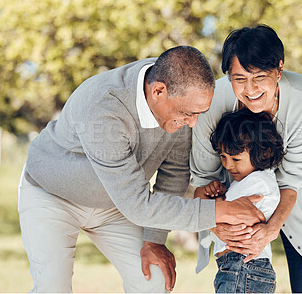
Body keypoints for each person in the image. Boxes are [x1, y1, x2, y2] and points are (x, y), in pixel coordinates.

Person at [18, 46, 265, 293]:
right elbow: (137, 205)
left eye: (198, 113)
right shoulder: (103, 108)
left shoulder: (176, 86)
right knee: (52, 288)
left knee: (155, 281)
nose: (193, 123)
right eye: (187, 114)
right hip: (53, 196)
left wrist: (155, 239)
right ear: (158, 91)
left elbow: (175, 172)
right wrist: (220, 211)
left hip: (113, 206)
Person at [190, 25, 302, 293]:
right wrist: (215, 224)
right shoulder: (212, 103)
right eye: (239, 79)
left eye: (259, 76)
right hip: (238, 200)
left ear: (279, 69)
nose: (250, 90)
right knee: (239, 280)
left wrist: (271, 228)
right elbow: (204, 175)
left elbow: (293, 181)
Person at [194, 109, 284, 293]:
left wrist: (212, 196)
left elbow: (216, 213)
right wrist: (215, 195)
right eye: (223, 157)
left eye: (235, 158)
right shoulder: (249, 182)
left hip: (241, 267)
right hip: (242, 268)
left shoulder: (257, 182)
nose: (227, 165)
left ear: (264, 153)